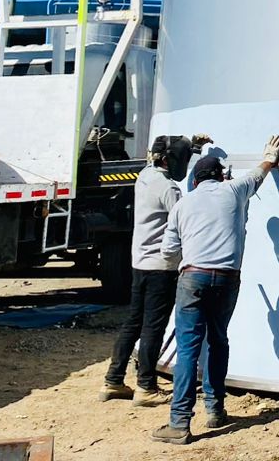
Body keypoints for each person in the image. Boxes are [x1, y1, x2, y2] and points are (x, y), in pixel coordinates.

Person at [150, 134, 279, 445]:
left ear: (195, 180)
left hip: (193, 278)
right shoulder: (234, 190)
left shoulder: (182, 204)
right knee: (218, 341)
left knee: (188, 349)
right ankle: (215, 409)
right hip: (227, 278)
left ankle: (179, 423)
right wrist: (270, 157)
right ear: (221, 175)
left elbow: (168, 252)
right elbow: (259, 173)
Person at [101, 134, 199, 404]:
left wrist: (193, 147)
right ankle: (146, 387)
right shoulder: (168, 188)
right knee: (153, 327)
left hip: (140, 263)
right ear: (168, 160)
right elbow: (185, 219)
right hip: (161, 267)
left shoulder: (145, 176)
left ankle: (113, 380)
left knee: (134, 322)